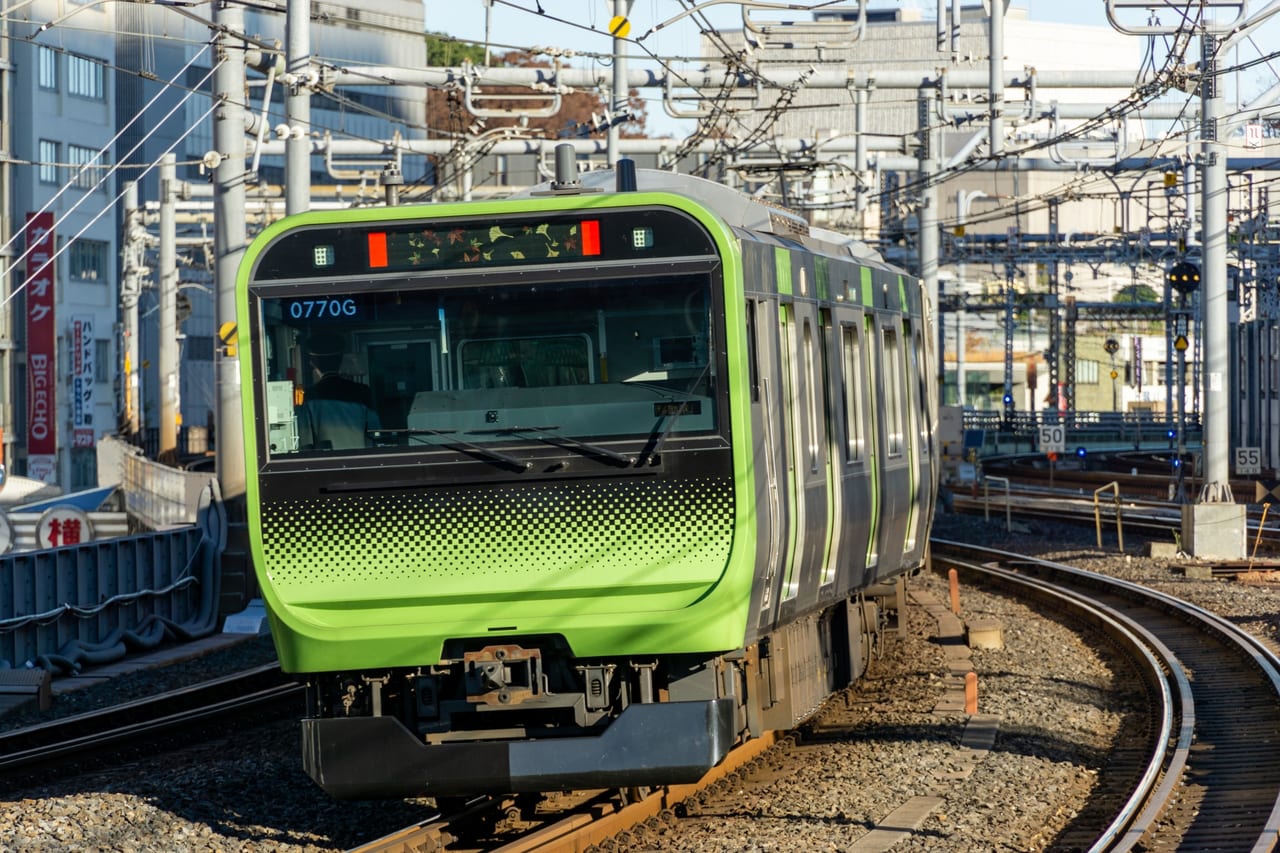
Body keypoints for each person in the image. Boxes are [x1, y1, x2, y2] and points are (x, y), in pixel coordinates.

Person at [297, 330, 381, 450]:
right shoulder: (362, 391)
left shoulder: (309, 395)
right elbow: (376, 432)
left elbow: (305, 442)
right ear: (340, 360)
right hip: (360, 461)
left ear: (314, 363)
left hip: (327, 465)